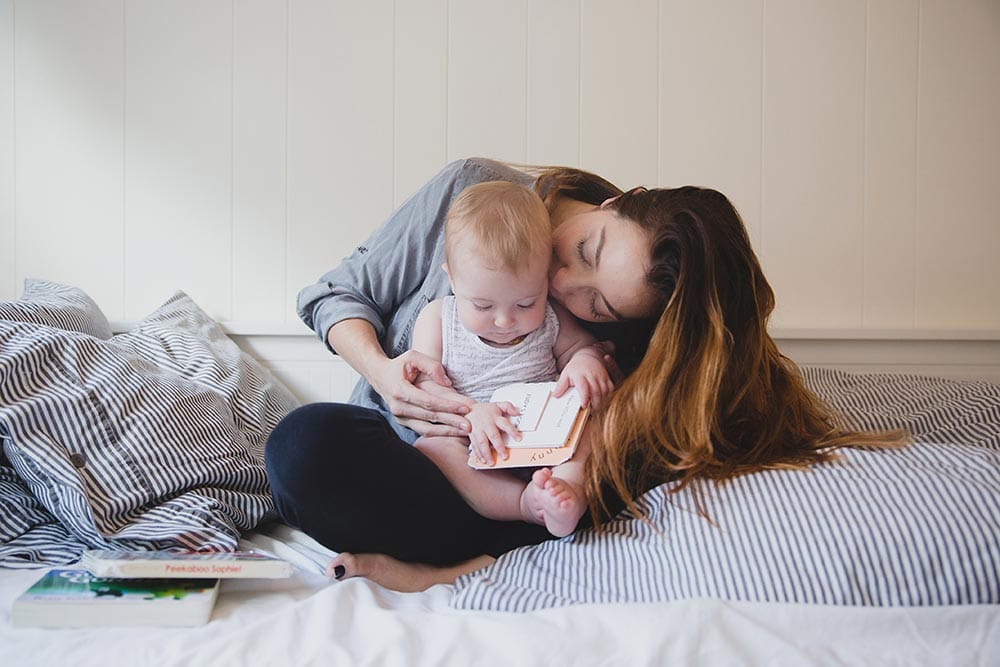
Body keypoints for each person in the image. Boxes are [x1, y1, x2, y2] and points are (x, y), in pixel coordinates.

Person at [265, 157, 904, 592]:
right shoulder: (474, 196)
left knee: (592, 486)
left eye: (597, 304)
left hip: (522, 494)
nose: (564, 285)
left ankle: (469, 557)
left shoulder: (619, 334)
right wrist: (385, 373)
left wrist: (594, 375)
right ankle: (471, 559)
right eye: (585, 251)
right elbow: (332, 296)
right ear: (616, 202)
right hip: (399, 464)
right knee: (303, 446)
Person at [410, 180, 614, 539]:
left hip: (549, 437)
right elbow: (425, 388)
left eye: (525, 303)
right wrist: (470, 413)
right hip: (476, 444)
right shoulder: (438, 319)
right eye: (483, 306)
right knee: (433, 448)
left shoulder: (551, 318)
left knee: (594, 416)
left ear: (545, 281)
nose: (505, 321)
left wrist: (585, 361)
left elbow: (580, 348)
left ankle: (567, 491)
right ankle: (522, 503)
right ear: (452, 279)